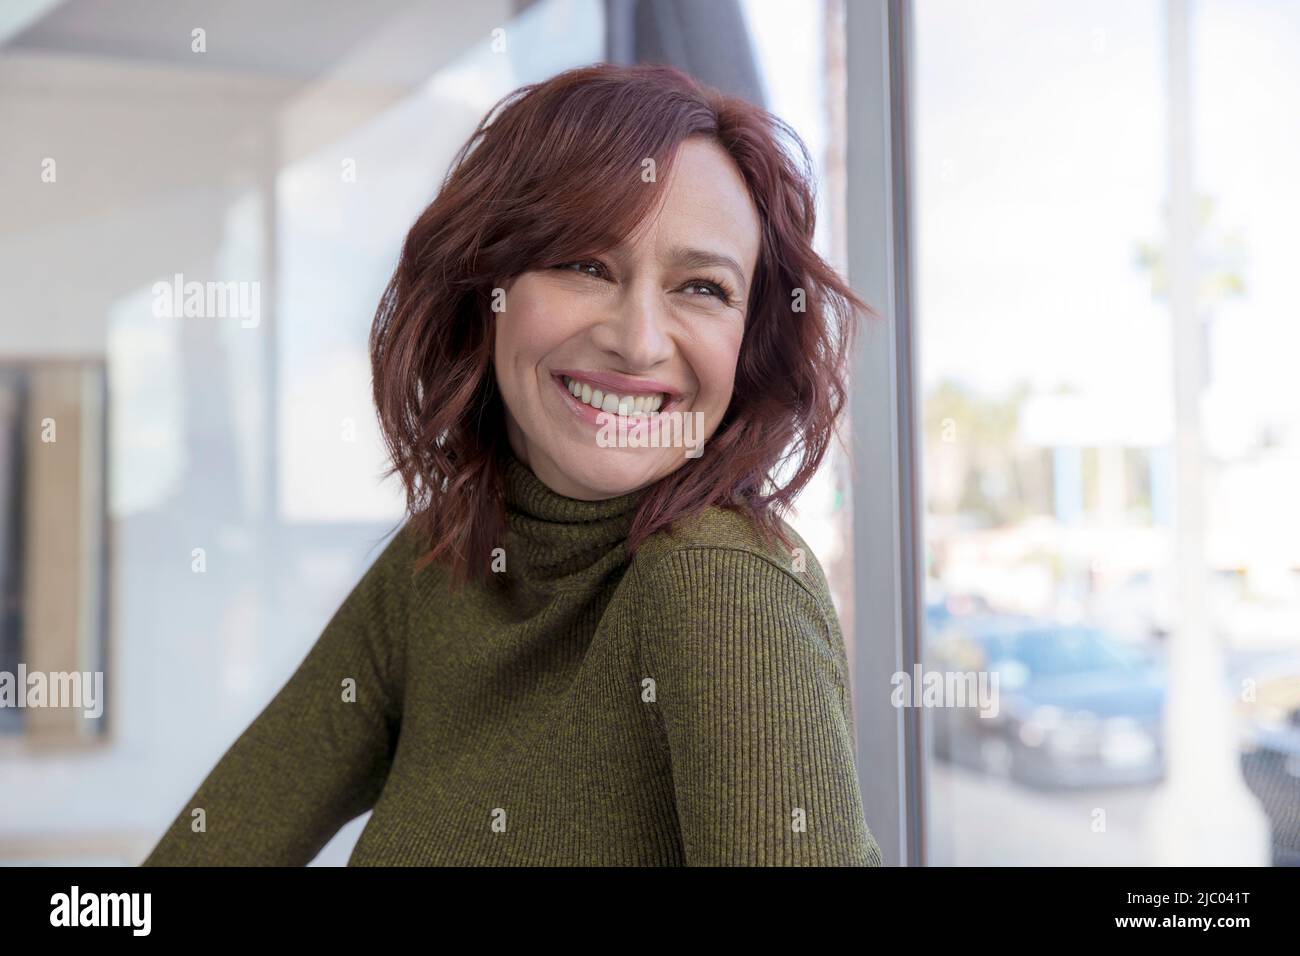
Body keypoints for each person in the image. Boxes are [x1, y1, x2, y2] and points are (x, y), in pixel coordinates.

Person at [143, 61, 883, 866]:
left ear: (751, 339)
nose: (638, 341)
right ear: (485, 287)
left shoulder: (720, 583)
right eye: (585, 266)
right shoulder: (445, 561)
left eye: (702, 288)